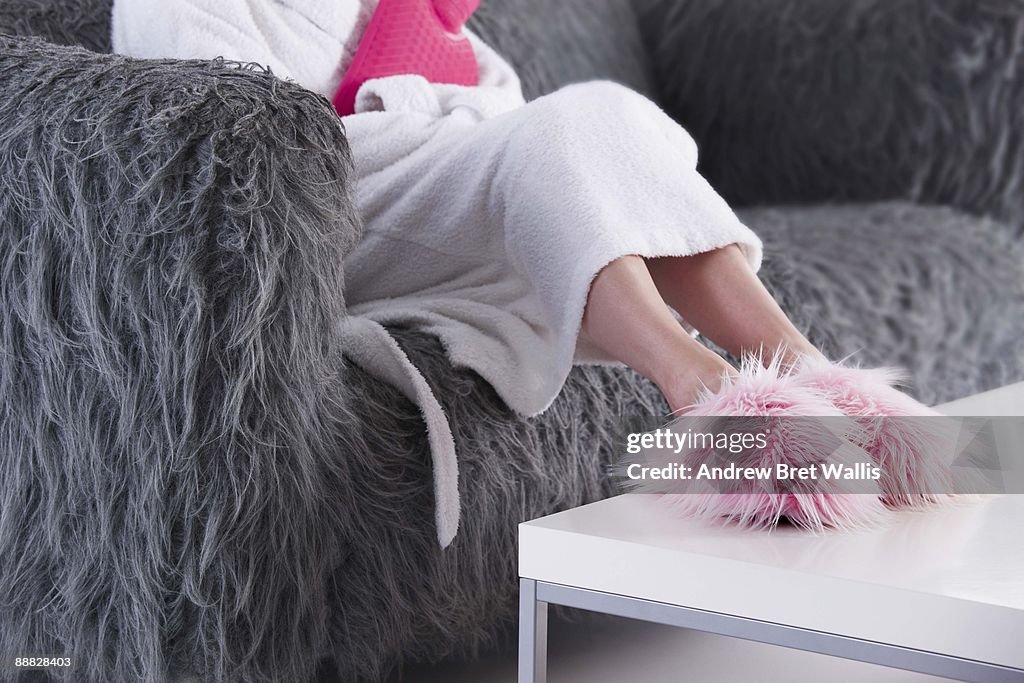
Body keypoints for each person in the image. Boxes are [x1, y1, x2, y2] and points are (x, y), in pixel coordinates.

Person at [112, 0, 826, 543]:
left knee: (602, 111)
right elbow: (232, 148)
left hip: (443, 171)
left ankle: (807, 370)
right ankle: (704, 386)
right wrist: (428, 115)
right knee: (548, 141)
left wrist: (441, 112)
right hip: (336, 209)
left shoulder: (407, 15)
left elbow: (506, 106)